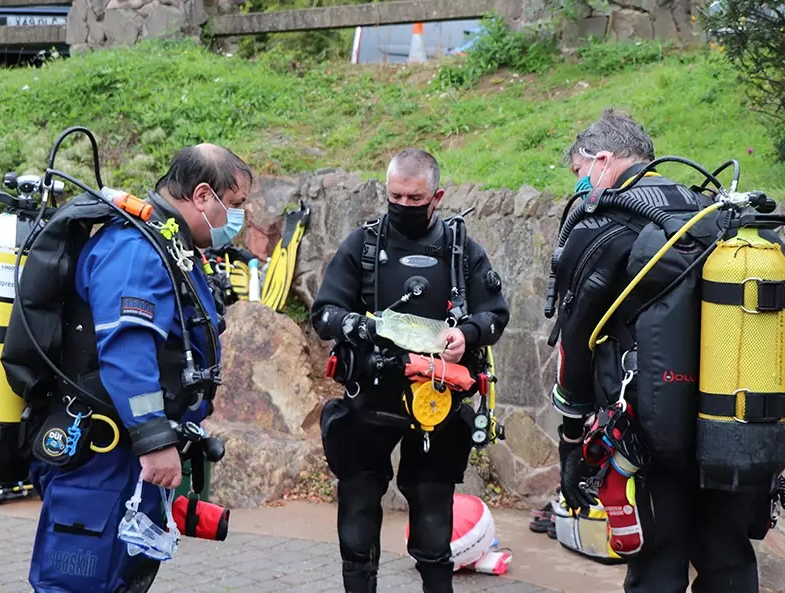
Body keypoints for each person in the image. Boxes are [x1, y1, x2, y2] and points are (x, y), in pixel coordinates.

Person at [3, 144, 254, 593]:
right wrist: (153, 436)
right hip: (104, 453)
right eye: (234, 205)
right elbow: (126, 349)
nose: (239, 218)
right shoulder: (137, 249)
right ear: (202, 195)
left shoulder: (170, 245)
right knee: (78, 583)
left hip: (125, 455)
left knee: (118, 580)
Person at [548, 109, 761, 593]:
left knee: (657, 570)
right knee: (728, 564)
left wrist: (571, 433)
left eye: (580, 175)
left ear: (601, 160)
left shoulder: (602, 224)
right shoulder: (712, 213)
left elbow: (577, 337)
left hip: (645, 435)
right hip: (733, 424)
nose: (581, 187)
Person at [311, 148, 510, 593]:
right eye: (394, 196)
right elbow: (324, 313)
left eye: (414, 199)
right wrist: (361, 326)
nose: (402, 205)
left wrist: (470, 335)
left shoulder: (461, 252)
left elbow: (495, 314)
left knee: (433, 513)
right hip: (371, 398)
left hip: (437, 404)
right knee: (358, 508)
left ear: (436, 196)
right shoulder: (362, 245)